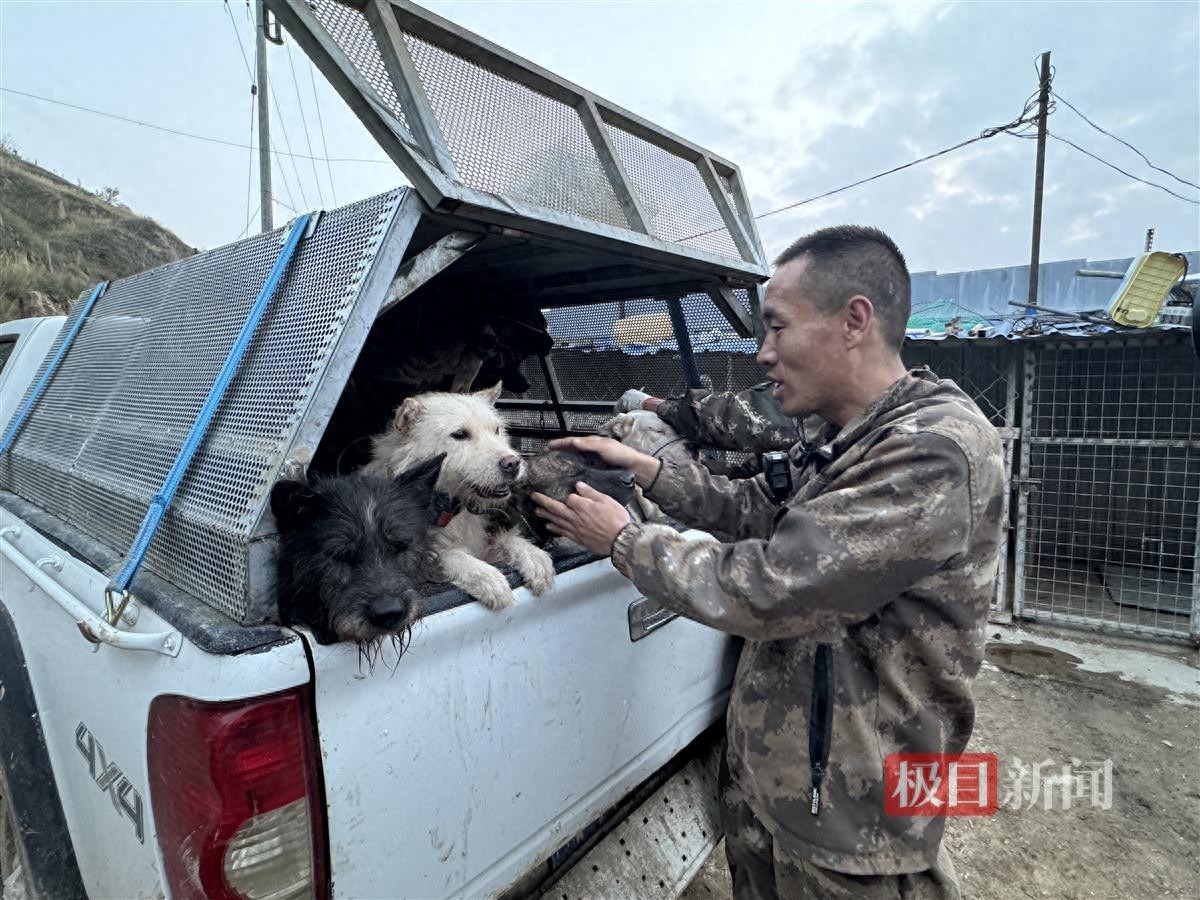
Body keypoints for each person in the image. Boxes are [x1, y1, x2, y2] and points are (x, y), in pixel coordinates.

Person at [532, 225, 1004, 900]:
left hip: (852, 818)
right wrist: (651, 471)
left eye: (777, 328)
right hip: (783, 787)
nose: (763, 353)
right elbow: (757, 509)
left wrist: (623, 540)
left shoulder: (934, 450)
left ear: (854, 321)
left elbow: (776, 586)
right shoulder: (849, 434)